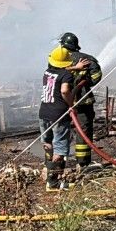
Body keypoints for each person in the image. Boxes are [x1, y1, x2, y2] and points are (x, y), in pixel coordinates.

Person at [59, 32, 102, 168]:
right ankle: (82, 164)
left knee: (60, 130)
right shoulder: (87, 59)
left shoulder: (58, 60)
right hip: (83, 101)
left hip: (62, 100)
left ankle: (57, 163)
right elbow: (97, 76)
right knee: (83, 131)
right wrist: (86, 81)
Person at [40, 47, 76, 191]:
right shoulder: (66, 75)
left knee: (48, 144)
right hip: (59, 115)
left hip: (43, 113)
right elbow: (64, 90)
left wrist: (74, 67)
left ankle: (48, 173)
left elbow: (60, 72)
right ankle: (53, 183)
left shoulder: (47, 72)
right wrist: (71, 104)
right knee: (60, 150)